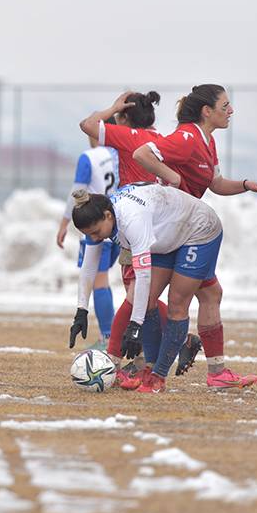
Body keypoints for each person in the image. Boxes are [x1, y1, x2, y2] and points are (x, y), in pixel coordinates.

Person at [131, 84, 257, 387]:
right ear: (206, 111)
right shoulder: (186, 138)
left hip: (184, 229)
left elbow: (216, 183)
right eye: (225, 106)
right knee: (158, 300)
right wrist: (171, 177)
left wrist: (248, 184)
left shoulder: (206, 141)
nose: (231, 111)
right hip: (175, 229)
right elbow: (142, 153)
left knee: (207, 294)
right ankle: (150, 373)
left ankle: (214, 373)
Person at [69, 184, 240, 393]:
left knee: (177, 302)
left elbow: (143, 276)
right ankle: (151, 370)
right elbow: (88, 268)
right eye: (89, 235)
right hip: (166, 234)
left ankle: (160, 377)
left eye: (96, 232)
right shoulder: (98, 218)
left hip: (198, 228)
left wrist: (135, 325)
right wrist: (81, 310)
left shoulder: (132, 220)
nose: (95, 238)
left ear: (108, 216)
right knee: (151, 299)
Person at [77, 91, 178, 382]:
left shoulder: (129, 136)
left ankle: (113, 356)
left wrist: (111, 108)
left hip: (130, 219)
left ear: (125, 117)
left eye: (119, 115)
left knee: (135, 293)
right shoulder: (162, 137)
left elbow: (88, 125)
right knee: (144, 294)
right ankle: (160, 348)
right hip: (161, 221)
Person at [56, 129, 120, 350]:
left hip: (95, 227)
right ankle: (112, 336)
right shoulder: (117, 153)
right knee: (108, 281)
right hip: (118, 224)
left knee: (99, 281)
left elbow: (77, 192)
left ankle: (108, 338)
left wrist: (65, 222)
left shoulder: (89, 157)